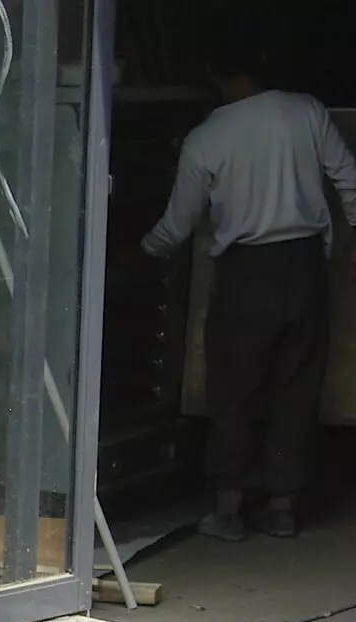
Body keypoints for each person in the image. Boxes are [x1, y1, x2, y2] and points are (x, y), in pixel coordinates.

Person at [141, 38, 356, 541]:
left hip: (243, 274)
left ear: (212, 74)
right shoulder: (306, 113)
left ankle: (228, 508)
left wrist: (141, 249)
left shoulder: (206, 137)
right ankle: (282, 504)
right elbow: (351, 179)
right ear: (262, 61)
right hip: (304, 268)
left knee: (234, 390)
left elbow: (178, 224)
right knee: (296, 388)